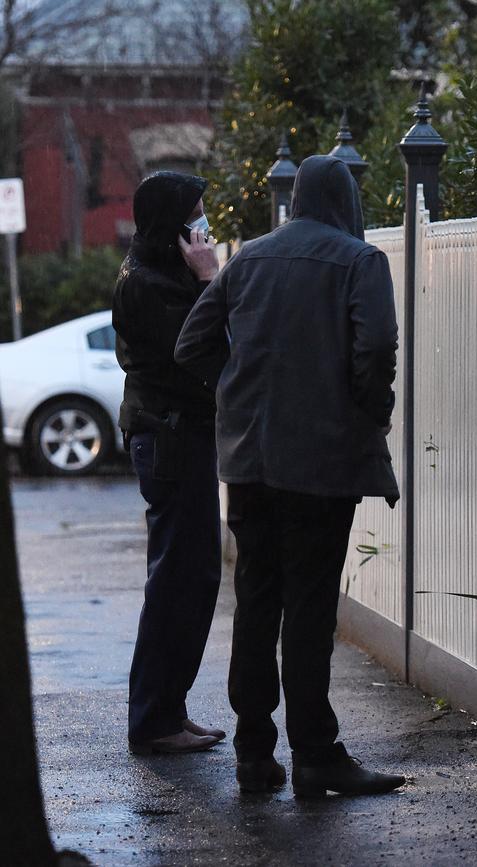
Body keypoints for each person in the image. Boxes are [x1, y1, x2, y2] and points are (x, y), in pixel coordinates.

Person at [174, 155, 405, 796]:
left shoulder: (247, 259)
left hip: (250, 463)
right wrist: (370, 412)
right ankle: (315, 754)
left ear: (295, 199)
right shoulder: (360, 262)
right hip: (321, 464)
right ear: (348, 200)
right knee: (308, 608)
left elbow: (192, 345)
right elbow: (376, 348)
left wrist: (240, 386)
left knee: (256, 603)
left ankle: (254, 755)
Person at [113, 171, 228, 755]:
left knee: (192, 575)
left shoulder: (159, 273)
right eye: (197, 213)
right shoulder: (151, 285)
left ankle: (167, 712)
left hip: (177, 437)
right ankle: (155, 721)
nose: (205, 225)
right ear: (171, 223)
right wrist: (211, 279)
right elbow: (205, 348)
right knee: (177, 579)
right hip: (170, 440)